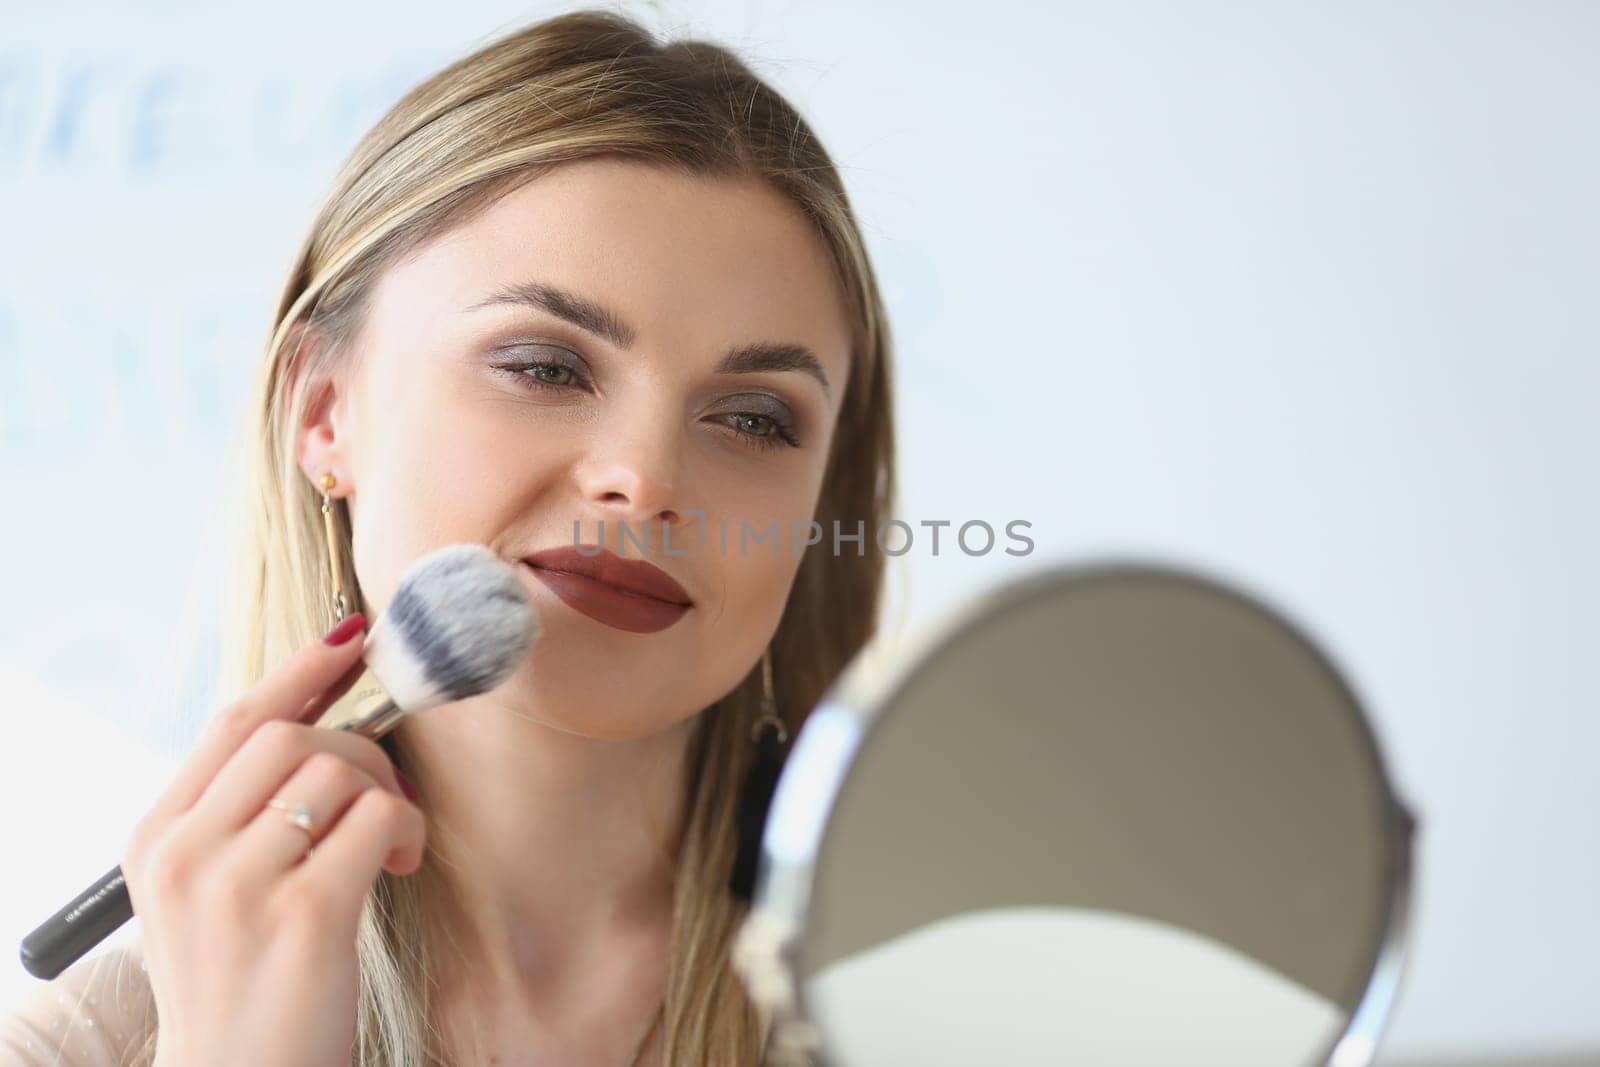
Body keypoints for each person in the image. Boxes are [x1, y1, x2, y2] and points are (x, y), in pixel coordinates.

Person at [1, 8, 896, 1065]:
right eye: (544, 366)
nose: (645, 478)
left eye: (754, 418)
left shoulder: (960, 999)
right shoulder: (88, 1046)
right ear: (326, 410)